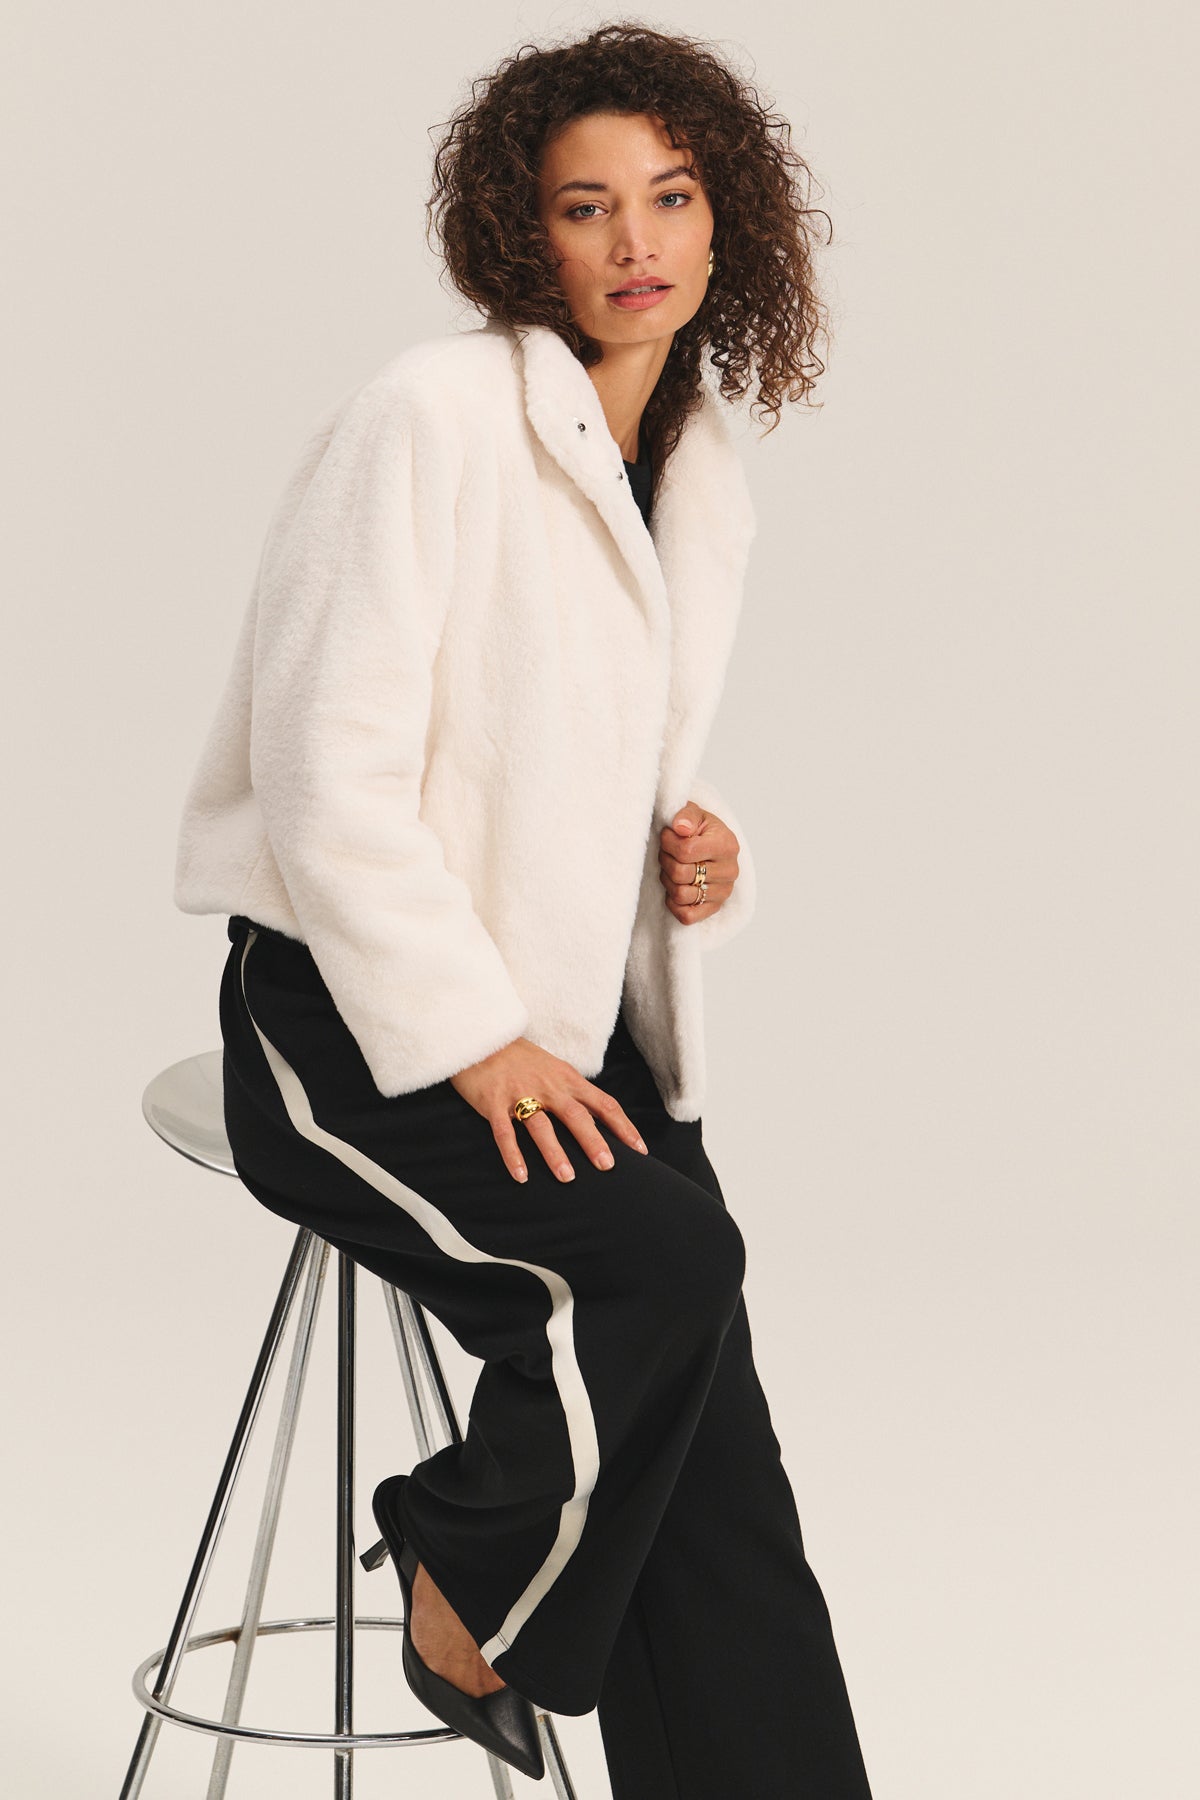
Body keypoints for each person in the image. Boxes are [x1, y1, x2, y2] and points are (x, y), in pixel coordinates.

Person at [174, 20, 874, 1798]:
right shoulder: (430, 414)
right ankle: (458, 1562)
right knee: (659, 1265)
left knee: (719, 1476)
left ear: (728, 227)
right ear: (521, 234)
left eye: (672, 194)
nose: (636, 239)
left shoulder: (696, 465)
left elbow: (533, 756)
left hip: (566, 1015)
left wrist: (679, 852)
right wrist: (471, 1036)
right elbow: (331, 777)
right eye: (586, 205)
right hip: (351, 1018)